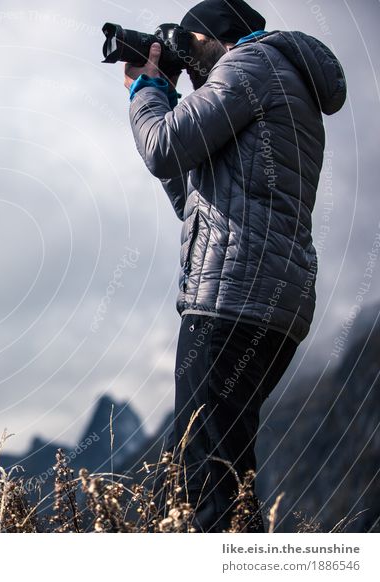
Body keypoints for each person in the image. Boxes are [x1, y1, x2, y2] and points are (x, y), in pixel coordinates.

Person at [123, 0, 347, 532]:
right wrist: (169, 96)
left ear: (205, 39)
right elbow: (194, 197)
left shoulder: (249, 67)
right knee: (223, 461)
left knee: (205, 476)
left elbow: (160, 147)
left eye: (189, 46)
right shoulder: (280, 79)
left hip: (231, 297)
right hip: (271, 301)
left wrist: (148, 91)